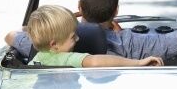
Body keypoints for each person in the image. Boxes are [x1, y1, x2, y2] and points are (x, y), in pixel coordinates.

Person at [6, 0, 177, 60]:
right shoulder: (128, 43)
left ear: (80, 7)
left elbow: (11, 36)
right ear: (116, 11)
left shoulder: (42, 43)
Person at [27, 5, 163, 67]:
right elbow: (95, 61)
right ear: (54, 45)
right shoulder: (65, 59)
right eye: (73, 37)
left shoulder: (35, 61)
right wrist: (139, 62)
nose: (78, 39)